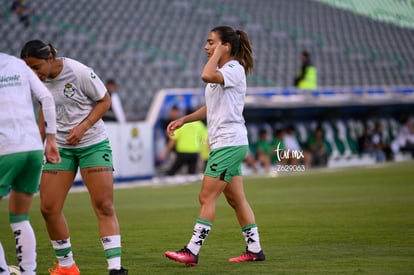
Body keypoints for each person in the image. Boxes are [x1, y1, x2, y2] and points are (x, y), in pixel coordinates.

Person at [20, 40, 128, 275]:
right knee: (48, 208)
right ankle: (67, 266)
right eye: (28, 68)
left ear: (50, 59)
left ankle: (115, 268)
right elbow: (44, 110)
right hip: (60, 148)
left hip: (93, 144)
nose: (33, 73)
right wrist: (38, 144)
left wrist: (83, 126)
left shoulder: (78, 71)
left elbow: (105, 100)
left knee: (104, 205)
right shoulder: (38, 80)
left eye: (36, 67)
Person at [164, 26, 265, 266]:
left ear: (226, 46)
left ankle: (191, 251)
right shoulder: (223, 71)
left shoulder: (233, 68)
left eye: (211, 42)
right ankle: (254, 249)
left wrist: (217, 54)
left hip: (229, 144)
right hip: (227, 144)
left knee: (206, 196)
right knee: (236, 200)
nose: (206, 47)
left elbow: (206, 76)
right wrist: (184, 120)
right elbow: (211, 108)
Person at [0, 52, 60, 274]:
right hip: (33, 148)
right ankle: (28, 271)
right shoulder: (16, 63)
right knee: (19, 215)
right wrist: (51, 139)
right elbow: (47, 98)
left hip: (5, 148)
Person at [157, 108, 208, 175]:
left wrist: (165, 153)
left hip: (182, 152)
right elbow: (205, 139)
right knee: (191, 175)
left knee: (171, 172)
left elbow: (173, 141)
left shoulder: (181, 124)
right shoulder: (199, 125)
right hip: (194, 152)